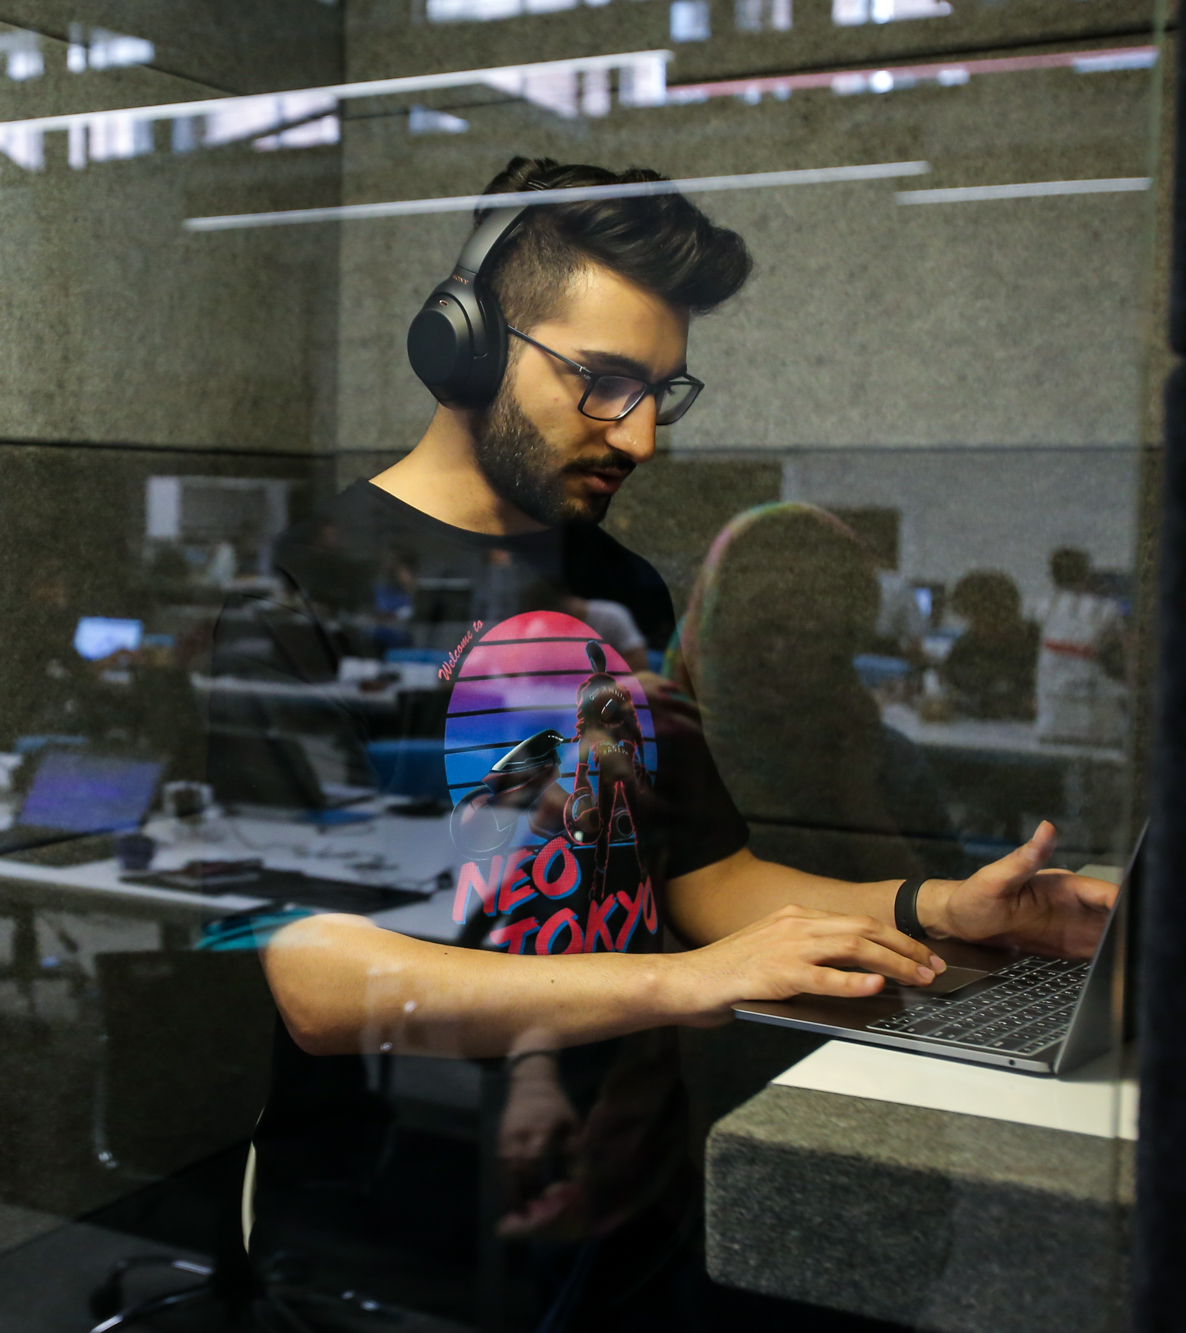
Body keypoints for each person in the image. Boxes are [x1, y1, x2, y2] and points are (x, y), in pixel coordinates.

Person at [220, 156, 1117, 1331]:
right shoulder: (295, 596)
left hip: (628, 1203)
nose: (637, 435)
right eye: (600, 381)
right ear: (465, 345)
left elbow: (703, 877)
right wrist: (687, 980)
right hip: (402, 1241)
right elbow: (323, 982)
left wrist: (943, 908)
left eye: (658, 392)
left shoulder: (621, 587)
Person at [668, 502, 963, 884]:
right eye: (764, 628)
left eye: (814, 634)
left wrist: (859, 801)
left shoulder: (884, 763)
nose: (782, 653)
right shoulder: (650, 748)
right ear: (715, 622)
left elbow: (946, 910)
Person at [1033, 547, 1127, 743]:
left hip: (1052, 724)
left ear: (1052, 576)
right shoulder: (1107, 611)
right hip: (1100, 725)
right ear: (1087, 574)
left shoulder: (1043, 608)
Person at [944, 569, 1040, 721]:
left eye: (982, 619)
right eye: (972, 619)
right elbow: (948, 684)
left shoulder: (1037, 644)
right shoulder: (966, 646)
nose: (976, 628)